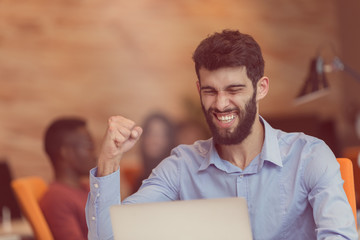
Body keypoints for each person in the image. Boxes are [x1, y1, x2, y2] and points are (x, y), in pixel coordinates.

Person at [86, 30, 358, 239]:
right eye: (210, 91)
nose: (220, 103)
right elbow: (110, 236)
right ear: (199, 89)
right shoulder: (181, 167)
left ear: (261, 88)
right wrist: (109, 161)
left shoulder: (309, 156)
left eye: (234, 90)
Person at [40, 117, 96, 240]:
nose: (95, 155)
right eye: (89, 147)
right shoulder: (57, 199)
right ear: (66, 152)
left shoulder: (86, 188)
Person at [132, 112, 176, 193]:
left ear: (169, 140)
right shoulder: (138, 180)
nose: (155, 140)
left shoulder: (175, 178)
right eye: (150, 133)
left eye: (161, 135)